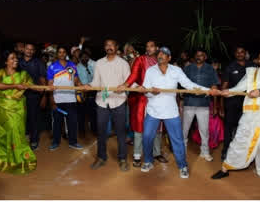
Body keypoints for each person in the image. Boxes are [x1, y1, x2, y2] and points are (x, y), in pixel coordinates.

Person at [141, 46, 219, 178]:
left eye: (164, 54)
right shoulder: (150, 71)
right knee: (147, 137)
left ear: (169, 58)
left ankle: (182, 166)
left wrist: (207, 90)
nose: (160, 55)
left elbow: (188, 85)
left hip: (171, 111)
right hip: (153, 110)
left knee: (177, 140)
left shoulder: (176, 70)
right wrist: (150, 92)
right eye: (159, 53)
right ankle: (148, 161)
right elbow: (145, 92)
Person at [212, 49, 260, 183]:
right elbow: (241, 86)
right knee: (241, 140)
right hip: (251, 114)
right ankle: (226, 168)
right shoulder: (253, 72)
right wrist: (228, 92)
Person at [0, 51, 37, 173]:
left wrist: (48, 87)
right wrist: (15, 86)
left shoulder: (23, 74)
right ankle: (4, 160)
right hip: (2, 108)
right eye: (12, 58)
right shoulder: (0, 73)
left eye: (16, 58)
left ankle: (19, 159)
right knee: (3, 133)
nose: (15, 60)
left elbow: (31, 85)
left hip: (18, 108)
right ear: (5, 61)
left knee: (17, 131)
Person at [83, 39, 131, 170]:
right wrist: (89, 86)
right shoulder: (99, 63)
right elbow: (96, 82)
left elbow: (129, 81)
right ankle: (101, 157)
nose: (109, 47)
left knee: (121, 132)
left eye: (112, 45)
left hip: (118, 101)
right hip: (102, 102)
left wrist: (136, 87)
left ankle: (122, 159)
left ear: (116, 47)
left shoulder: (123, 63)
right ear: (104, 48)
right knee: (101, 132)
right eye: (107, 45)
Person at [121, 39, 163, 167]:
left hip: (158, 99)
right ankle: (137, 155)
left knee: (158, 127)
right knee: (139, 126)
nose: (149, 48)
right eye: (147, 46)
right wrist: (126, 84)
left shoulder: (162, 61)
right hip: (142, 99)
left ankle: (157, 153)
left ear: (157, 48)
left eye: (151, 46)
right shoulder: (140, 60)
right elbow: (133, 75)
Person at [182, 48, 221, 162]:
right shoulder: (188, 68)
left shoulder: (210, 69)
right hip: (189, 103)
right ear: (194, 57)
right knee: (184, 129)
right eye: (197, 55)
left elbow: (214, 85)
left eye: (202, 55)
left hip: (203, 104)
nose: (199, 57)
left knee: (204, 130)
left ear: (205, 57)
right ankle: (182, 151)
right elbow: (182, 84)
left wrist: (213, 89)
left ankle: (205, 152)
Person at [47, 46, 82, 151]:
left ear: (66, 53)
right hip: (58, 99)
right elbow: (49, 84)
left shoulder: (71, 65)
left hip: (71, 98)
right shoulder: (52, 67)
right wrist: (52, 99)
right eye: (60, 52)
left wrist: (81, 86)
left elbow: (76, 80)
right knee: (57, 122)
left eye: (63, 52)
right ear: (57, 54)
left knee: (72, 122)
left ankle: (73, 142)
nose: (62, 54)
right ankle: (55, 142)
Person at [19, 42, 47, 150]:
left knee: (33, 118)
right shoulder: (18, 61)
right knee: (21, 118)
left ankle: (34, 140)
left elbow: (43, 80)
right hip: (19, 95)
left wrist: (44, 96)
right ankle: (23, 138)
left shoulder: (38, 63)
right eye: (27, 49)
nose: (29, 51)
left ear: (34, 51)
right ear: (24, 49)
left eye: (31, 49)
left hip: (34, 95)